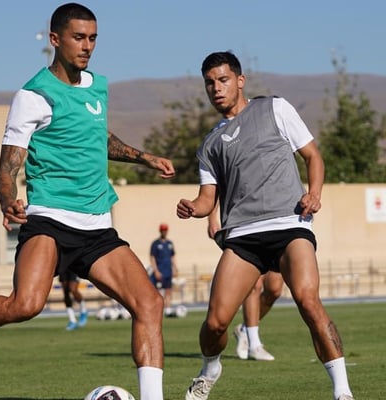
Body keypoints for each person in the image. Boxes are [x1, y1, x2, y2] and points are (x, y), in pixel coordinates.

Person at [0, 4, 175, 400]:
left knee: (150, 304)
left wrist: (144, 158)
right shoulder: (32, 95)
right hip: (50, 221)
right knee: (25, 305)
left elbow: (97, 136)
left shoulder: (97, 86)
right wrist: (8, 200)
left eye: (93, 38)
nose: (87, 46)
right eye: (79, 38)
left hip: (97, 227)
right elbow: (7, 167)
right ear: (55, 39)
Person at [177, 51, 354, 400]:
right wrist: (194, 208)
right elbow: (207, 199)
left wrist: (314, 193)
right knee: (215, 323)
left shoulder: (275, 108)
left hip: (290, 225)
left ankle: (342, 391)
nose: (216, 88)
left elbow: (313, 156)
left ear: (240, 80)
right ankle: (210, 369)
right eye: (210, 83)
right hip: (243, 237)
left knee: (308, 301)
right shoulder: (210, 144)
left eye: (223, 80)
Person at [207, 205, 283, 361]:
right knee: (254, 285)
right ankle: (254, 344)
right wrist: (212, 218)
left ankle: (243, 329)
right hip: (246, 222)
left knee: (274, 289)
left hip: (277, 221)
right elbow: (216, 189)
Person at [149, 223, 178, 316]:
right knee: (158, 291)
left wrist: (175, 268)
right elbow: (152, 257)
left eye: (165, 230)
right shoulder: (155, 244)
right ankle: (157, 309)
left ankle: (168, 308)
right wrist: (156, 270)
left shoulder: (169, 244)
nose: (164, 232)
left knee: (168, 290)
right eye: (162, 230)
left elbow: (172, 256)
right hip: (160, 270)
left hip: (168, 271)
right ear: (160, 231)